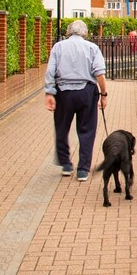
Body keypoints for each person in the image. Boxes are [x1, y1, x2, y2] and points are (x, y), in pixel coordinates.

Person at [44, 20, 107, 181]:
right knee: (87, 130)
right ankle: (83, 169)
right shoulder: (92, 48)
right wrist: (103, 94)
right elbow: (99, 74)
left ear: (68, 32)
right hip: (86, 91)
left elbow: (50, 72)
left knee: (62, 127)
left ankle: (66, 164)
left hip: (63, 92)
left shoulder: (58, 47)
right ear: (84, 33)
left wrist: (49, 93)